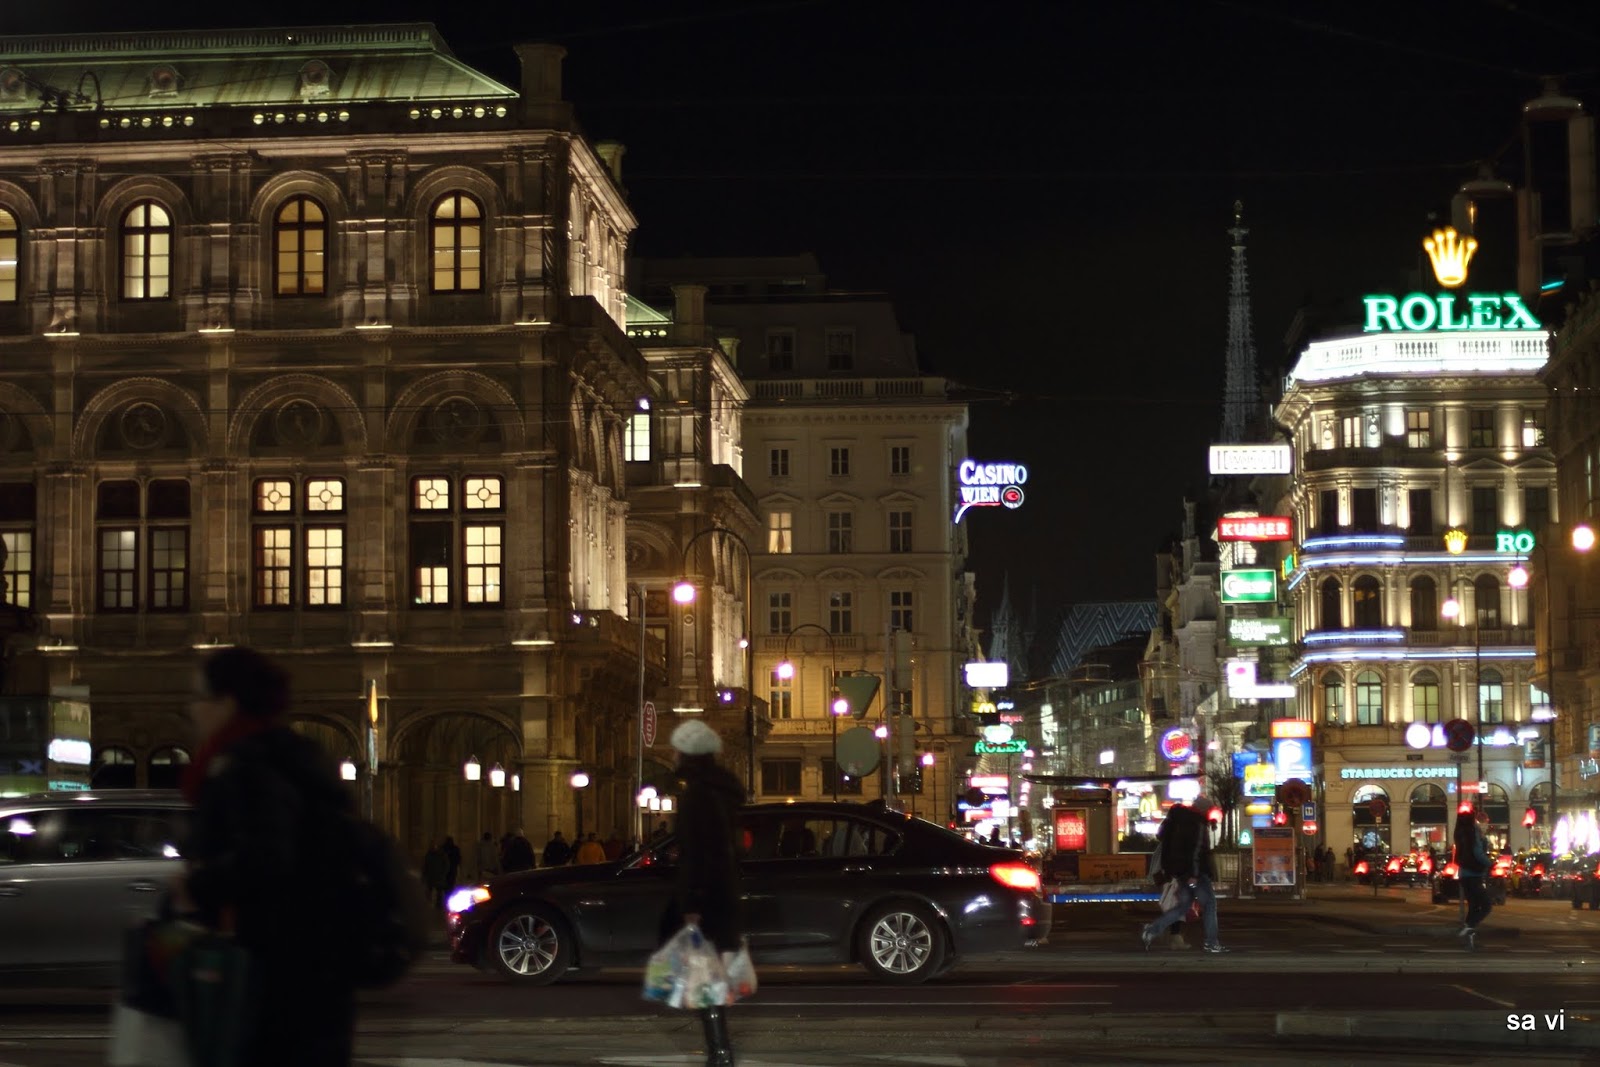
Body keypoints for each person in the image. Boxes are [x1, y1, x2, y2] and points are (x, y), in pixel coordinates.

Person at [178, 646, 357, 1066]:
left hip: (273, 974)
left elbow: (266, 859)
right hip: (317, 972)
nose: (193, 710)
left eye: (200, 697)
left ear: (228, 702)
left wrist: (196, 885)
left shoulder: (247, 766)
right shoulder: (292, 756)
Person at [659, 719, 744, 1067]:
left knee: (704, 975)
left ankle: (719, 1051)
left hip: (707, 896)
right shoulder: (724, 792)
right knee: (710, 974)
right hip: (724, 892)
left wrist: (693, 901)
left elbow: (700, 851)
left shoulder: (699, 795)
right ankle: (719, 1049)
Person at [1141, 795, 1227, 954]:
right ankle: (1211, 943)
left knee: (1182, 907)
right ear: (1204, 810)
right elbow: (1196, 851)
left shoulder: (1181, 820)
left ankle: (1152, 930)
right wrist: (1194, 874)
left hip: (1181, 872)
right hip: (1197, 874)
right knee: (1209, 905)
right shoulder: (1198, 823)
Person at [1456, 807, 1494, 950]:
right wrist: (1490, 863)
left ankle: (1469, 939)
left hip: (1465, 874)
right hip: (1474, 874)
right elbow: (1478, 853)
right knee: (1486, 905)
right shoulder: (1474, 833)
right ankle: (1468, 927)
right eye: (1484, 821)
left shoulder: (1462, 832)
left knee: (1473, 907)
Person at [421, 840, 450, 908]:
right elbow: (426, 865)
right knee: (429, 891)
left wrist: (443, 873)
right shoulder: (429, 854)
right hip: (431, 875)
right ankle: (428, 904)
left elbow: (446, 865)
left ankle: (438, 905)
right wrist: (424, 874)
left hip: (439, 876)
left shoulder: (442, 854)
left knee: (439, 891)